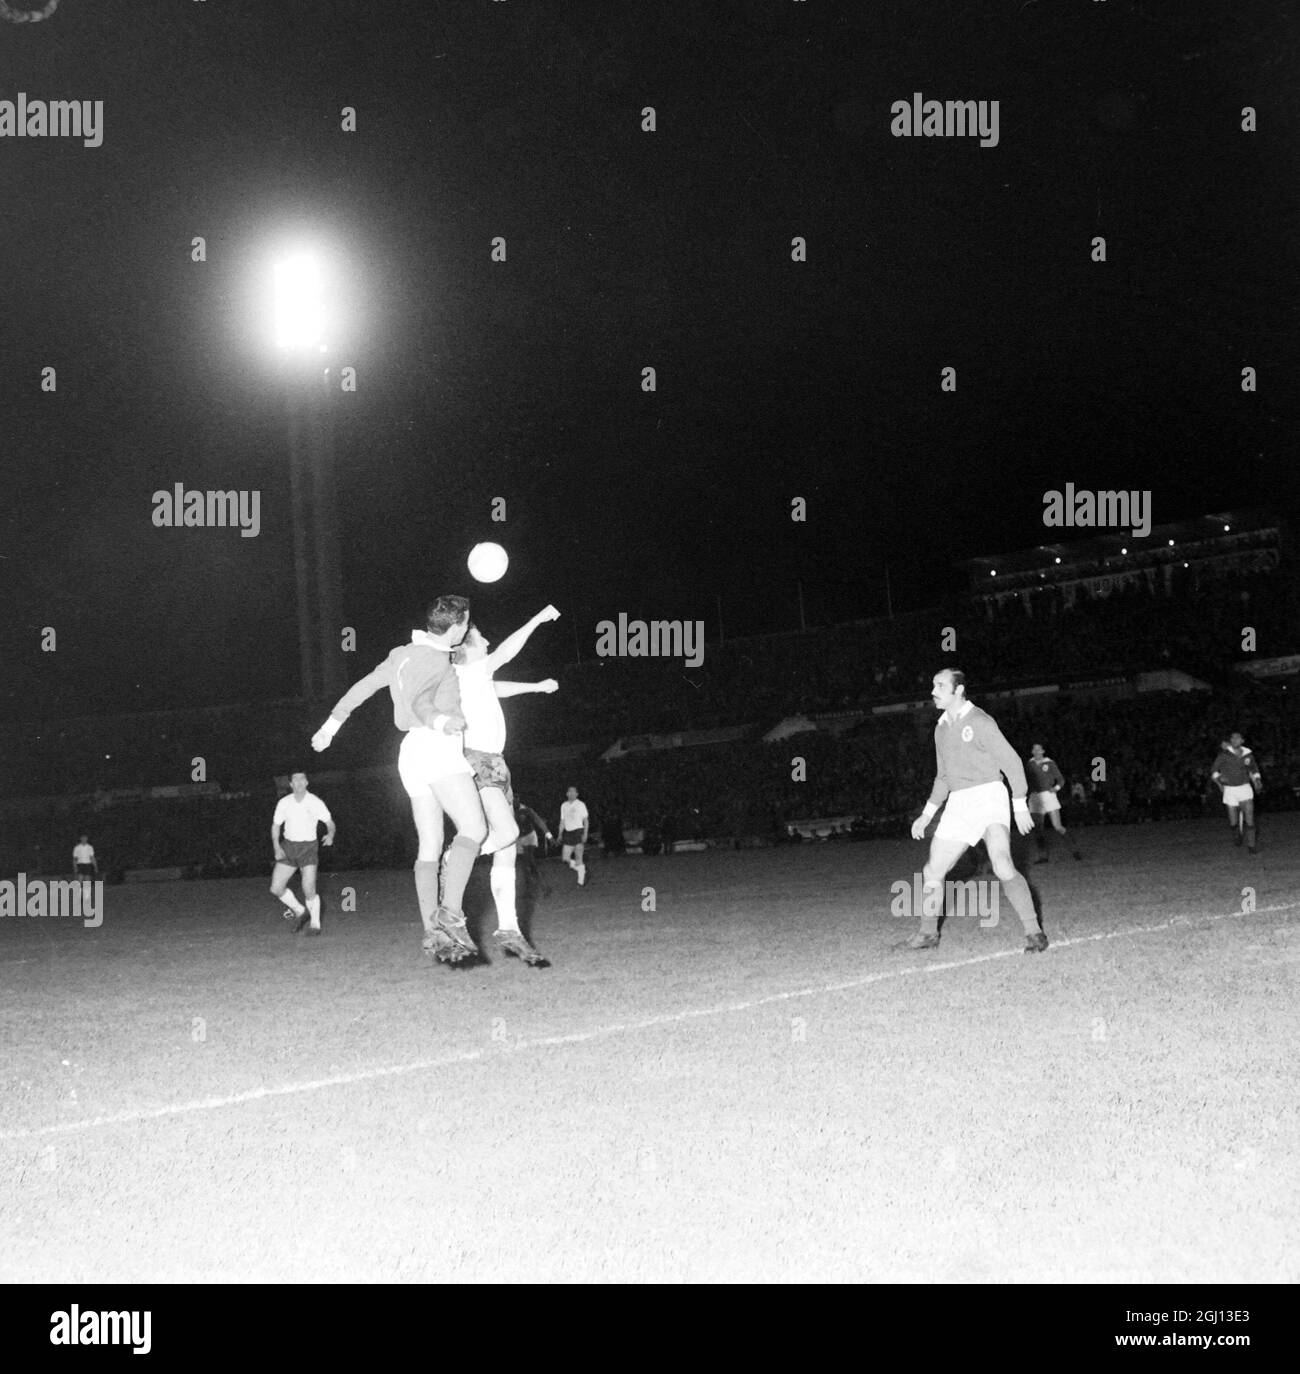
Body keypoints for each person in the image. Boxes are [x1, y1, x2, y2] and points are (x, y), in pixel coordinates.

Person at [311, 594, 488, 964]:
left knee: (430, 844)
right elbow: (422, 702)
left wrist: (331, 726)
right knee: (474, 828)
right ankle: (451, 916)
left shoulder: (400, 654)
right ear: (457, 626)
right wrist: (442, 721)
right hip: (437, 745)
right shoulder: (437, 658)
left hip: (409, 753)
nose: (468, 628)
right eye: (467, 623)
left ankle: (433, 934)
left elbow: (363, 687)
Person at [442, 607, 560, 966]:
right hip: (477, 760)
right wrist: (536, 619)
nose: (488, 641)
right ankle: (455, 857)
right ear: (467, 646)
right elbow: (506, 653)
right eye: (482, 638)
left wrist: (535, 687)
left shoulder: (472, 675)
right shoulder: (465, 669)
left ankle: (509, 928)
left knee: (508, 849)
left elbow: (496, 688)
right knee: (506, 832)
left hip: (495, 762)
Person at [908, 669, 1048, 953]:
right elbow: (943, 776)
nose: (933, 691)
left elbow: (1011, 762)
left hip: (989, 796)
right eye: (933, 685)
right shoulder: (941, 727)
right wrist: (927, 813)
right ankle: (927, 934)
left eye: (940, 685)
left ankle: (1034, 933)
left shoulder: (981, 721)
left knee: (1001, 863)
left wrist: (1019, 804)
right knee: (933, 869)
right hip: (959, 802)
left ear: (958, 690)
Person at [270, 771, 335, 934]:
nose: (298, 782)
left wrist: (330, 834)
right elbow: (276, 826)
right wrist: (277, 847)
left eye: (302, 779)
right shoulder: (284, 803)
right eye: (295, 780)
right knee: (276, 888)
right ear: (291, 784)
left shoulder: (315, 802)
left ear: (306, 782)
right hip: (289, 847)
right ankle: (300, 911)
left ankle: (315, 924)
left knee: (308, 888)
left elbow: (329, 822)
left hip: (308, 847)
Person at [1026, 743, 1082, 862]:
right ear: (1032, 752)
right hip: (1035, 798)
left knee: (1058, 826)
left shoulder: (1049, 763)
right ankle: (1043, 856)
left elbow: (1061, 780)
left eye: (1038, 749)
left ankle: (1075, 851)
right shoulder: (1030, 764)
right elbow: (1028, 780)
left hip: (1048, 796)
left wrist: (1055, 788)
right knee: (1038, 829)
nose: (1036, 751)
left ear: (1043, 751)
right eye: (1034, 749)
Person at [1210, 732, 1263, 853]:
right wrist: (1219, 779)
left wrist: (1257, 780)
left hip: (1244, 788)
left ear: (1242, 741)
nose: (1234, 740)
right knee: (1233, 820)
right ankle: (1236, 833)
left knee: (1249, 817)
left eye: (1237, 738)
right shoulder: (1224, 754)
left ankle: (1252, 846)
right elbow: (1213, 770)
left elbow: (1253, 769)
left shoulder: (1248, 754)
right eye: (1232, 738)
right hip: (1230, 790)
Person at [558, 785, 589, 885]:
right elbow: (562, 821)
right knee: (565, 858)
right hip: (568, 833)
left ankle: (580, 881)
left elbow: (585, 820)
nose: (571, 793)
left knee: (578, 857)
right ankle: (581, 870)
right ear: (567, 794)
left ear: (577, 794)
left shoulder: (581, 805)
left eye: (574, 792)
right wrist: (560, 834)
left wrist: (585, 833)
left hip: (578, 831)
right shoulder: (564, 805)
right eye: (569, 792)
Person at [72, 834, 98, 901]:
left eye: (85, 838)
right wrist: (75, 867)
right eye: (83, 838)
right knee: (79, 880)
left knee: (87, 881)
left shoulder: (90, 847)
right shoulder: (77, 847)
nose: (84, 839)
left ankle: (86, 897)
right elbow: (75, 859)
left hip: (88, 865)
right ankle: (79, 896)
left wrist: (95, 866)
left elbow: (92, 857)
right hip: (80, 865)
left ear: (87, 839)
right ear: (81, 839)